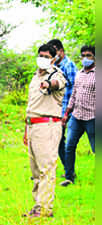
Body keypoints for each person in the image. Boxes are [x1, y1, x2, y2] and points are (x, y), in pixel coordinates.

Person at [22, 44, 66, 217]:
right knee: (35, 171)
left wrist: (48, 83)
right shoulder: (35, 76)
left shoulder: (57, 75)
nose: (43, 58)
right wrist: (26, 129)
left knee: (46, 168)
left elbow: (56, 84)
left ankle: (45, 208)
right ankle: (37, 205)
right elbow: (31, 106)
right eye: (41, 55)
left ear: (54, 59)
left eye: (47, 56)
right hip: (33, 124)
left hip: (47, 125)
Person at [60, 45, 95, 187]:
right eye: (83, 55)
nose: (85, 58)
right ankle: (69, 177)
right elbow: (73, 95)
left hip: (92, 117)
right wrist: (67, 113)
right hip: (76, 116)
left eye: (89, 55)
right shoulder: (79, 74)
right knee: (69, 146)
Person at [46, 39, 77, 177]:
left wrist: (68, 111)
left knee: (61, 141)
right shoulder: (53, 67)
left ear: (61, 51)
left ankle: (69, 172)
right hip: (56, 108)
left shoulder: (68, 65)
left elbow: (75, 88)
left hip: (67, 109)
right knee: (56, 140)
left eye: (54, 51)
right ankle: (66, 170)